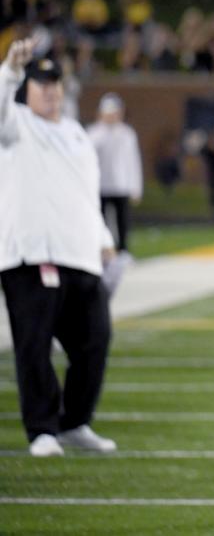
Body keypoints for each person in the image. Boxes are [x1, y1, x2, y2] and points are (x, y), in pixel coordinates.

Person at [0, 39, 118, 457]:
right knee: (34, 344)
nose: (49, 91)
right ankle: (42, 430)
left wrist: (105, 240)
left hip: (80, 255)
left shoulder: (76, 134)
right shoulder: (14, 124)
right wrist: (10, 70)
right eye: (40, 83)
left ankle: (74, 423)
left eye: (55, 84)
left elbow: (86, 192)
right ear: (27, 88)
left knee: (96, 340)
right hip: (33, 254)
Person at [87, 92, 143, 295]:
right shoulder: (94, 132)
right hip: (100, 186)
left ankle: (124, 252)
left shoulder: (127, 133)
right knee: (99, 220)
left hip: (121, 185)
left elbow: (133, 161)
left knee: (122, 220)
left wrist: (136, 186)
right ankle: (99, 252)